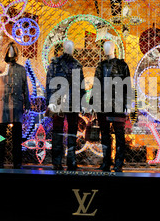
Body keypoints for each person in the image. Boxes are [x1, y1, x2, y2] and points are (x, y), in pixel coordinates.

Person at [0, 42, 30, 169]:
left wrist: (27, 104)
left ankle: (17, 163)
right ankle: (0, 163)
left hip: (16, 106)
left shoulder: (21, 69)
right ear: (5, 51)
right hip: (2, 106)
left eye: (13, 50)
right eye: (9, 50)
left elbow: (25, 88)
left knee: (17, 137)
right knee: (0, 136)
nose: (11, 52)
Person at [45, 40, 85, 171]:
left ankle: (71, 161)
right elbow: (49, 83)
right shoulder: (55, 64)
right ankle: (57, 161)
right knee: (57, 132)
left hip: (73, 101)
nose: (69, 49)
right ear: (63, 48)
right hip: (58, 101)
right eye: (68, 47)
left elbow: (81, 86)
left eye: (71, 47)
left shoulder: (77, 65)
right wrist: (50, 102)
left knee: (72, 132)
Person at [92, 41, 132, 172]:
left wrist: (128, 103)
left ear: (114, 48)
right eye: (104, 47)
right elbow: (96, 85)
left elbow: (127, 85)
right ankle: (106, 162)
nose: (106, 49)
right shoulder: (101, 65)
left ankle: (119, 163)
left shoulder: (122, 65)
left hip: (118, 105)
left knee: (119, 135)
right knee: (104, 134)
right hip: (103, 104)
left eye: (108, 47)